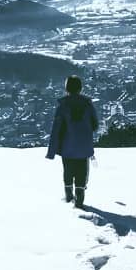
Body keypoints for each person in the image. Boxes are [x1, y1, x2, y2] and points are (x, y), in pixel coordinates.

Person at [46, 75, 99, 207]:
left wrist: (51, 152)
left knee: (68, 171)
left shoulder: (63, 106)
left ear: (66, 88)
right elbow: (95, 125)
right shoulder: (88, 105)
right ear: (80, 88)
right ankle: (80, 199)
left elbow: (56, 129)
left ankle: (69, 196)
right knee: (82, 172)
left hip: (67, 147)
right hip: (84, 146)